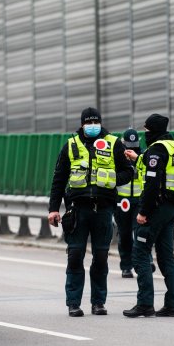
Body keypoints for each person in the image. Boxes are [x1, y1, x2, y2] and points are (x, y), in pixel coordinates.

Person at [48, 107, 134, 317]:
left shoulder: (113, 143)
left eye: (96, 122)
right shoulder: (70, 145)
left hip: (103, 209)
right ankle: (74, 303)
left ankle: (98, 303)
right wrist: (53, 209)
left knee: (101, 257)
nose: (93, 126)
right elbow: (59, 179)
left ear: (100, 123)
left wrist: (111, 179)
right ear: (82, 124)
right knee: (75, 255)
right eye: (89, 122)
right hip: (78, 209)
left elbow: (128, 172)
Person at [123, 113, 174, 318]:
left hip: (155, 207)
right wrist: (137, 158)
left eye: (147, 131)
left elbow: (152, 183)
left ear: (154, 131)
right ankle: (173, 305)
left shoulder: (157, 148)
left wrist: (143, 212)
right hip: (170, 207)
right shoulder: (173, 146)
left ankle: (145, 304)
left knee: (140, 253)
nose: (145, 134)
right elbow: (158, 168)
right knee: (167, 256)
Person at [115, 129, 145, 278]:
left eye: (134, 145)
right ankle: (126, 266)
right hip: (122, 201)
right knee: (125, 234)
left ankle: (144, 263)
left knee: (140, 232)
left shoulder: (142, 156)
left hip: (139, 200)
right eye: (129, 145)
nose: (131, 148)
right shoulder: (118, 156)